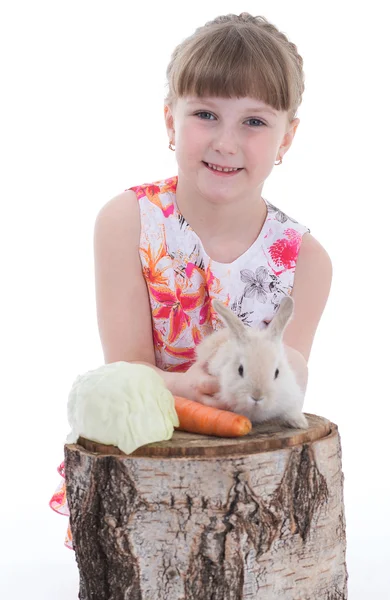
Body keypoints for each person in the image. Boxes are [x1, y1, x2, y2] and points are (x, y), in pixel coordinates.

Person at [49, 11, 333, 550]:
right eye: (205, 113)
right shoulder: (128, 223)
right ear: (169, 121)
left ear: (287, 138)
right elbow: (127, 369)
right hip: (146, 476)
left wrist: (254, 390)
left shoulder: (306, 259)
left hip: (250, 486)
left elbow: (288, 379)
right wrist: (186, 389)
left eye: (254, 121)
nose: (226, 142)